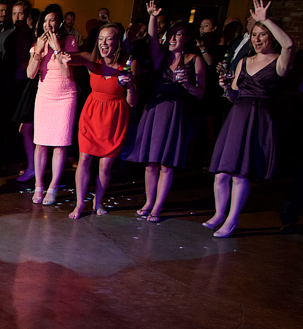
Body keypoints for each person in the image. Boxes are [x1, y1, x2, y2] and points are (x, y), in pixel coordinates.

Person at [205, 0, 294, 237]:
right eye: (254, 34)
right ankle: (219, 214)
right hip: (238, 115)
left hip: (259, 117)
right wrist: (227, 87)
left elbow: (289, 44)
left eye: (262, 34)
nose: (257, 39)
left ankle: (232, 220)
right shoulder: (244, 61)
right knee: (222, 171)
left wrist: (265, 19)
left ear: (271, 36)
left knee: (241, 172)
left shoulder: (279, 61)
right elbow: (234, 96)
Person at [126, 2, 205, 222]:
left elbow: (200, 93)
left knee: (166, 163)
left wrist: (187, 84)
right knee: (150, 162)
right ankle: (149, 201)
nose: (172, 39)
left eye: (177, 35)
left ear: (186, 38)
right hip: (155, 108)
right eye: (169, 35)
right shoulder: (161, 56)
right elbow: (152, 39)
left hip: (176, 111)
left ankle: (158, 207)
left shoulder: (194, 60)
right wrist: (152, 17)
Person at [68, 22, 138, 218]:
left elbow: (133, 103)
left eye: (109, 38)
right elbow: (74, 59)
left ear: (118, 42)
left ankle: (98, 202)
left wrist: (131, 86)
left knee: (105, 165)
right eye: (100, 38)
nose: (103, 43)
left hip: (115, 117)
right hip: (92, 114)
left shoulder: (130, 63)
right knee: (84, 159)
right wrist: (63, 54)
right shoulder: (93, 59)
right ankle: (80, 204)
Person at [26, 3, 78, 205]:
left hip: (65, 96)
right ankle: (39, 185)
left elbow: (68, 74)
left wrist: (57, 49)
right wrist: (38, 51)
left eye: (53, 19)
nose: (49, 24)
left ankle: (53, 186)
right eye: (46, 20)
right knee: (40, 143)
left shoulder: (70, 41)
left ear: (60, 21)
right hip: (44, 94)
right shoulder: (37, 44)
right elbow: (30, 74)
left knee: (60, 144)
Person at [0, 0, 34, 177]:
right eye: (14, 13)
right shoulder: (4, 36)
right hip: (7, 87)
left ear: (27, 15)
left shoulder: (34, 37)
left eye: (21, 13)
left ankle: (16, 161)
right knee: (2, 126)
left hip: (25, 88)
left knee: (21, 128)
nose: (17, 17)